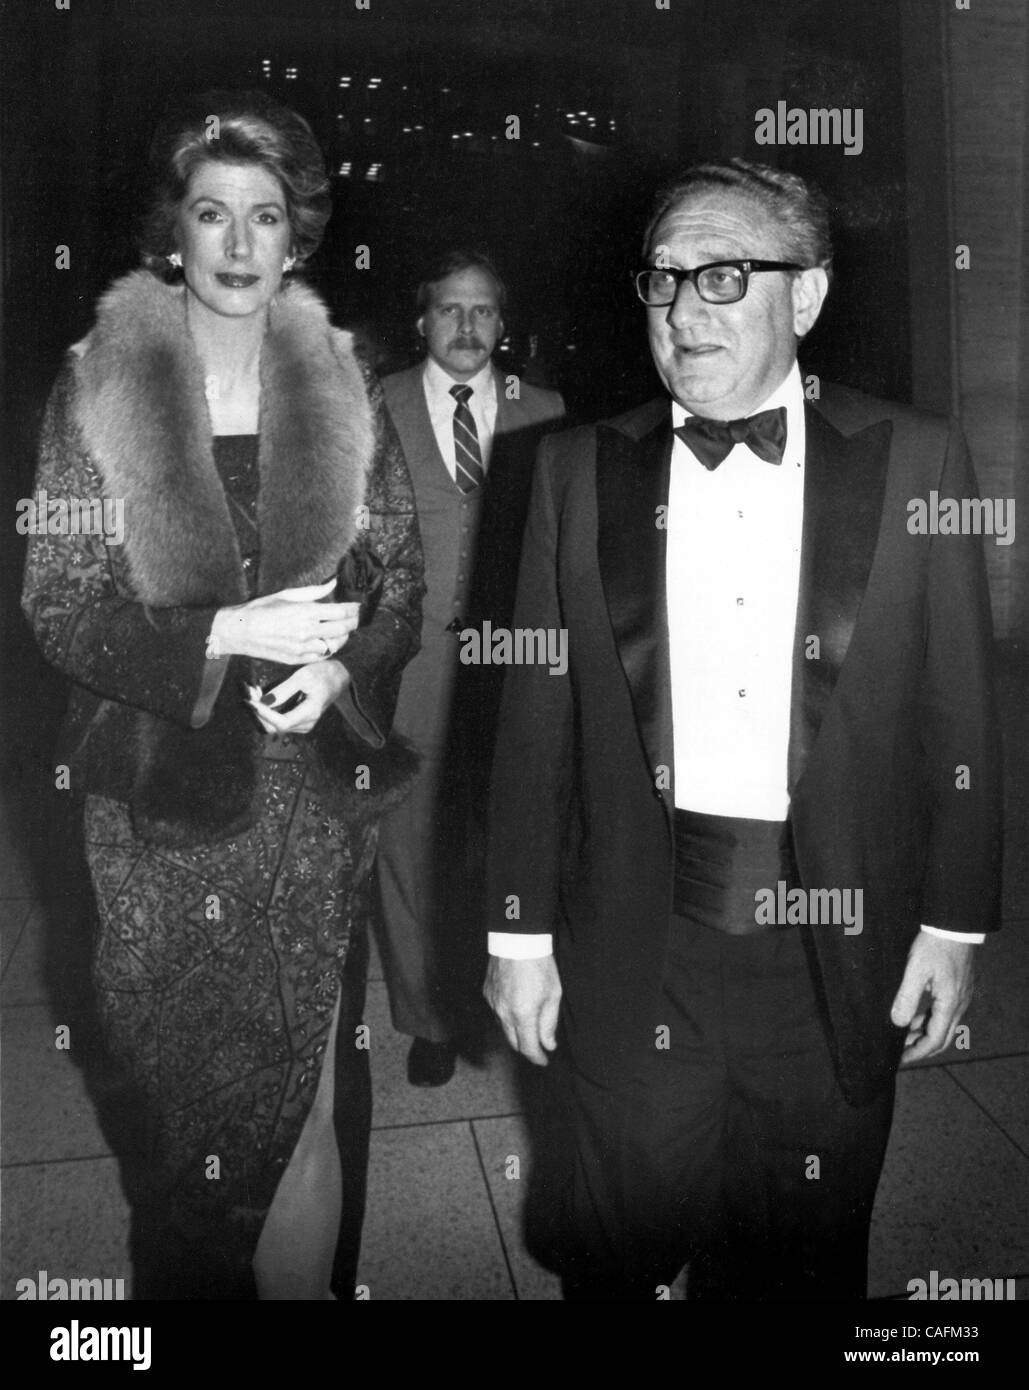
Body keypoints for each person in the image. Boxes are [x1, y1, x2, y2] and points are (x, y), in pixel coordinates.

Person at [484, 157, 1001, 1299]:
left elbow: (961, 712)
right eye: (663, 279)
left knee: (804, 1258)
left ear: (806, 296)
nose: (681, 311)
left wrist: (955, 922)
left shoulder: (919, 459)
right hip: (635, 940)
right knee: (615, 1252)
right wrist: (516, 936)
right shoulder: (572, 469)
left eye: (723, 276)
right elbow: (535, 721)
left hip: (835, 946)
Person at [21, 90, 423, 1300]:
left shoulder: (346, 384)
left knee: (307, 1102)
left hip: (309, 815)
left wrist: (341, 663)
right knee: (187, 1139)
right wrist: (222, 632)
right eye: (213, 215)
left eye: (266, 216)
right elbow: (59, 599)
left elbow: (401, 581)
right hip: (159, 817)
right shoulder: (95, 388)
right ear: (174, 234)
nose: (241, 246)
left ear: (298, 234)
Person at [377, 251, 564, 1086]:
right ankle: (428, 1018)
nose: (464, 327)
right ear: (420, 320)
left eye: (481, 311)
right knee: (409, 845)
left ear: (502, 324)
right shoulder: (371, 406)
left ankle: (521, 989)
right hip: (407, 666)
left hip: (515, 667)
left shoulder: (547, 412)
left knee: (515, 832)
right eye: (448, 309)